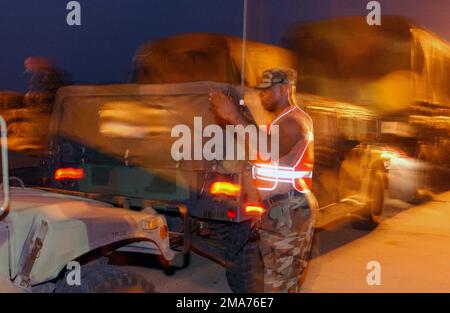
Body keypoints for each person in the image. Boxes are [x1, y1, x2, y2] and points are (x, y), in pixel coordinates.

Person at [209, 68, 316, 292]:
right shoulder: (276, 123)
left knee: (279, 284)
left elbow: (269, 150)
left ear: (284, 89)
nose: (261, 95)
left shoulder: (294, 121)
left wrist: (234, 117)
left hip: (290, 210)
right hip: (276, 210)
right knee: (278, 280)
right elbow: (257, 164)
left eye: (267, 90)